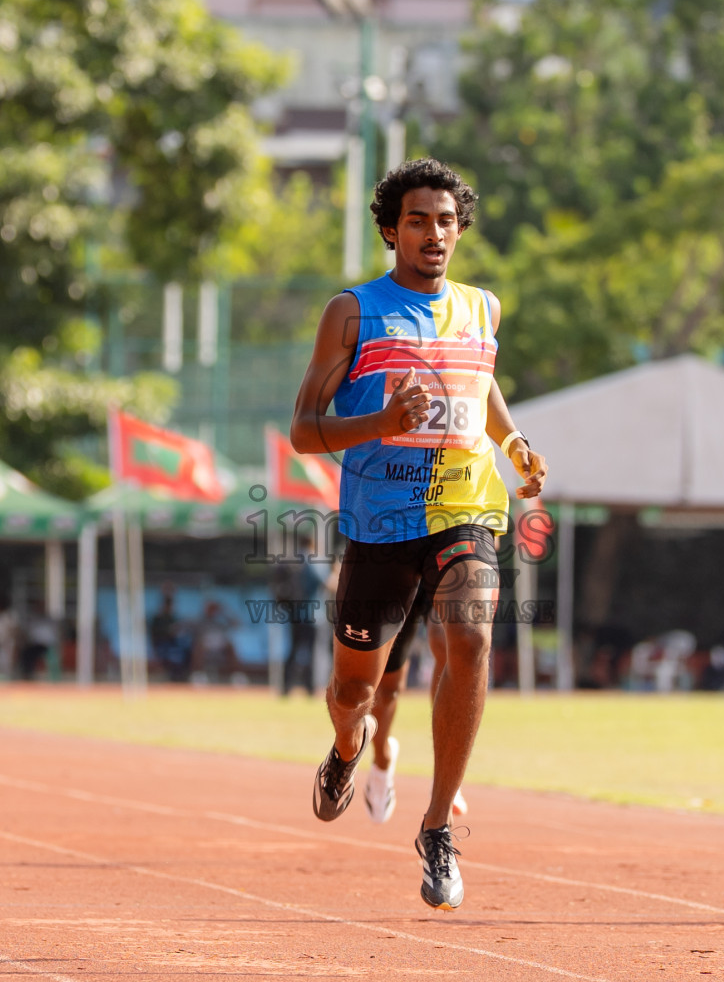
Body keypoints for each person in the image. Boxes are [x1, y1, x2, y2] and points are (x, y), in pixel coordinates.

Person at [289, 157, 547, 910]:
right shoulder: (353, 312)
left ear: (460, 229)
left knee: (470, 637)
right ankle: (346, 749)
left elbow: (481, 380)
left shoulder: (482, 308)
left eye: (445, 221)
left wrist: (513, 439)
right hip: (379, 526)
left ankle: (437, 826)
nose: (434, 233)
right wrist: (381, 423)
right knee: (351, 692)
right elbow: (305, 430)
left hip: (465, 508)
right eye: (417, 221)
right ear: (389, 231)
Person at [362, 586, 470, 824]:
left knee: (445, 639)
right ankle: (382, 760)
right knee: (388, 688)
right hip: (402, 557)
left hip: (444, 556)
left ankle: (447, 777)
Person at [273, 534, 330, 697]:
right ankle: (312, 687)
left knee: (294, 649)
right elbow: (327, 582)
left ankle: (286, 686)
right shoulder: (314, 560)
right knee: (315, 651)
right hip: (314, 614)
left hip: (296, 612)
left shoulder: (294, 560)